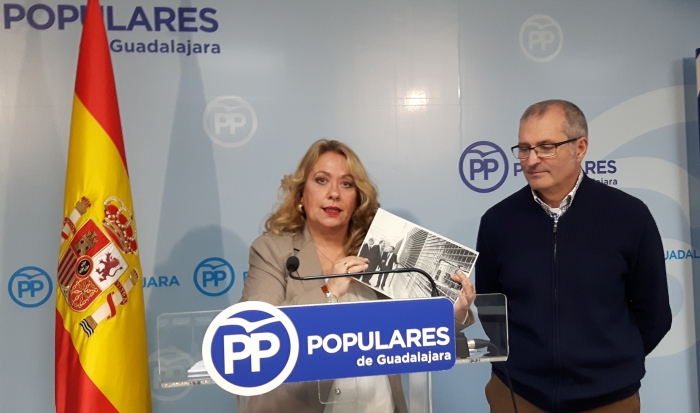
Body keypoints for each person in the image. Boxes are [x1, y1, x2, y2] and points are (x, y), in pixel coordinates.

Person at [475, 100, 672, 413]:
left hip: (608, 398)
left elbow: (655, 313)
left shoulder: (629, 216)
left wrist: (612, 365)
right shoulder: (497, 221)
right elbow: (489, 307)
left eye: (546, 147)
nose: (532, 160)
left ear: (580, 148)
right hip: (518, 393)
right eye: (524, 148)